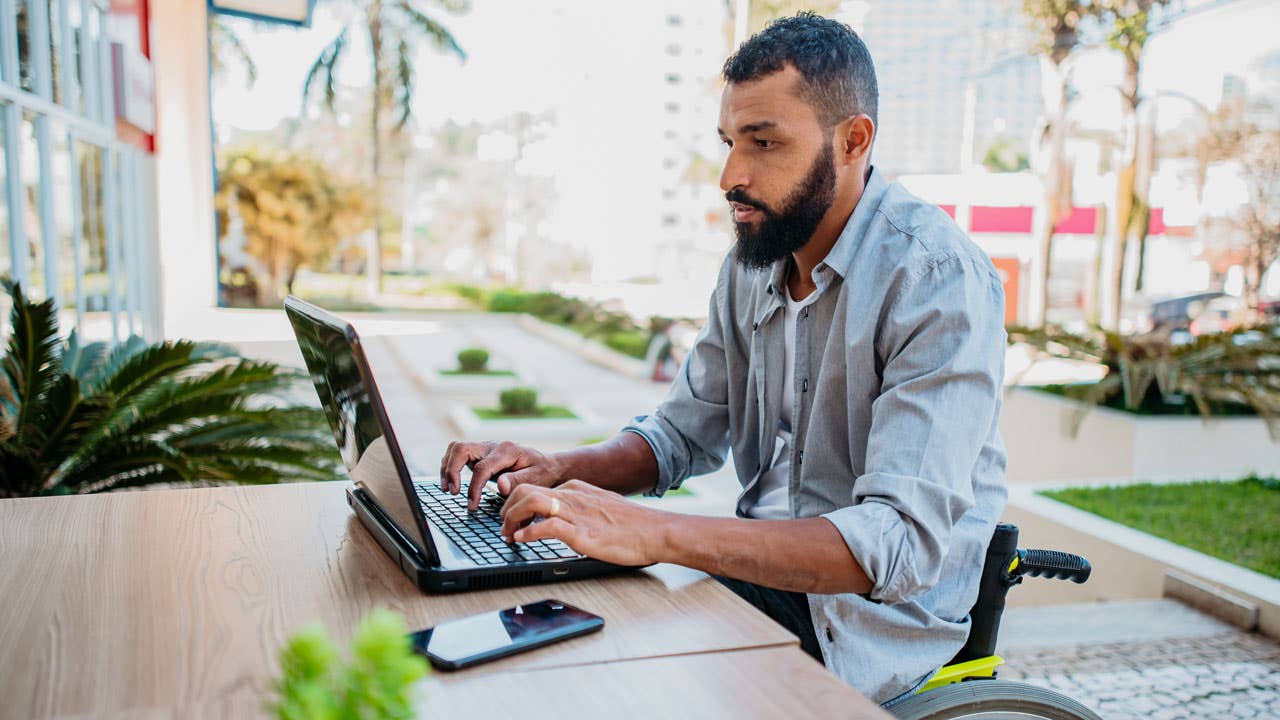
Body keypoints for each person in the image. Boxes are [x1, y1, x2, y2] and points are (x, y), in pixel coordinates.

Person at [438, 13, 1007, 705]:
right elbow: (680, 435)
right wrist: (562, 470)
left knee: (589, 678)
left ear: (853, 141)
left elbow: (895, 544)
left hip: (863, 628)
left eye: (764, 143)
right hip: (753, 583)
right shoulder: (751, 265)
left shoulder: (937, 279)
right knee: (518, 616)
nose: (731, 175)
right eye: (730, 141)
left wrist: (655, 532)